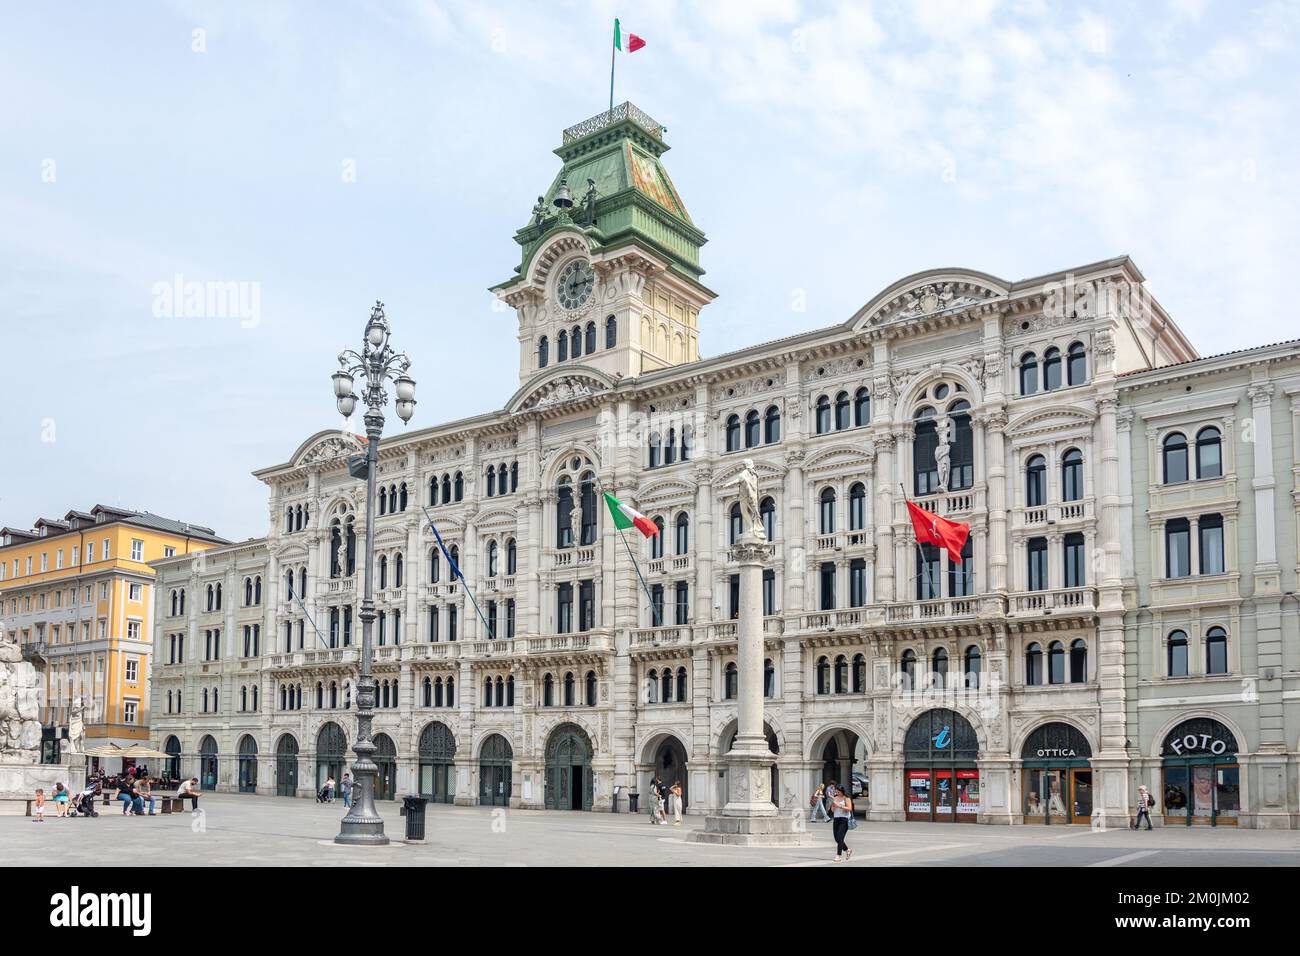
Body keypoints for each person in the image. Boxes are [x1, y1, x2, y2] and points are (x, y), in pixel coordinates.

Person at [829, 785, 854, 862]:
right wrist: (833, 807)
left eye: (838, 792)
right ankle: (847, 850)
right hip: (836, 819)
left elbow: (849, 808)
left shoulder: (846, 798)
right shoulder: (835, 798)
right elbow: (832, 810)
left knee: (840, 838)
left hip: (844, 819)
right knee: (836, 838)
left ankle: (838, 855)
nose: (837, 793)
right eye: (836, 791)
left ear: (842, 791)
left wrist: (839, 806)